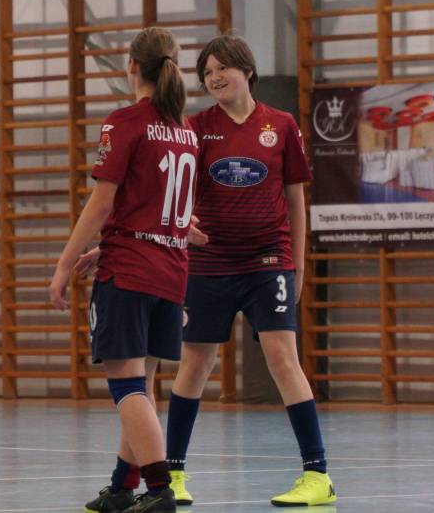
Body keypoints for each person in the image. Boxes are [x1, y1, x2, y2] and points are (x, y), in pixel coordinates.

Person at [81, 35, 336, 508]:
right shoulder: (194, 128)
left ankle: (317, 474)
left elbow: (296, 200)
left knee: (283, 357)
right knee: (194, 363)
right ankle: (174, 474)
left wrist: (296, 265)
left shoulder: (280, 126)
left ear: (247, 70)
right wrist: (148, 235)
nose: (215, 77)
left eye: (223, 68)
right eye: (207, 72)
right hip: (207, 263)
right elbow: (164, 195)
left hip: (268, 261)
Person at [48, 27, 199, 513]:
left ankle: (158, 489)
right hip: (170, 270)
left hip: (131, 271)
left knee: (127, 386)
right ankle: (121, 487)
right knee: (143, 383)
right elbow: (156, 208)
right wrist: (109, 246)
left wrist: (64, 263)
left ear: (131, 66)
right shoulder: (185, 131)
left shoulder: (125, 122)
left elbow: (102, 202)